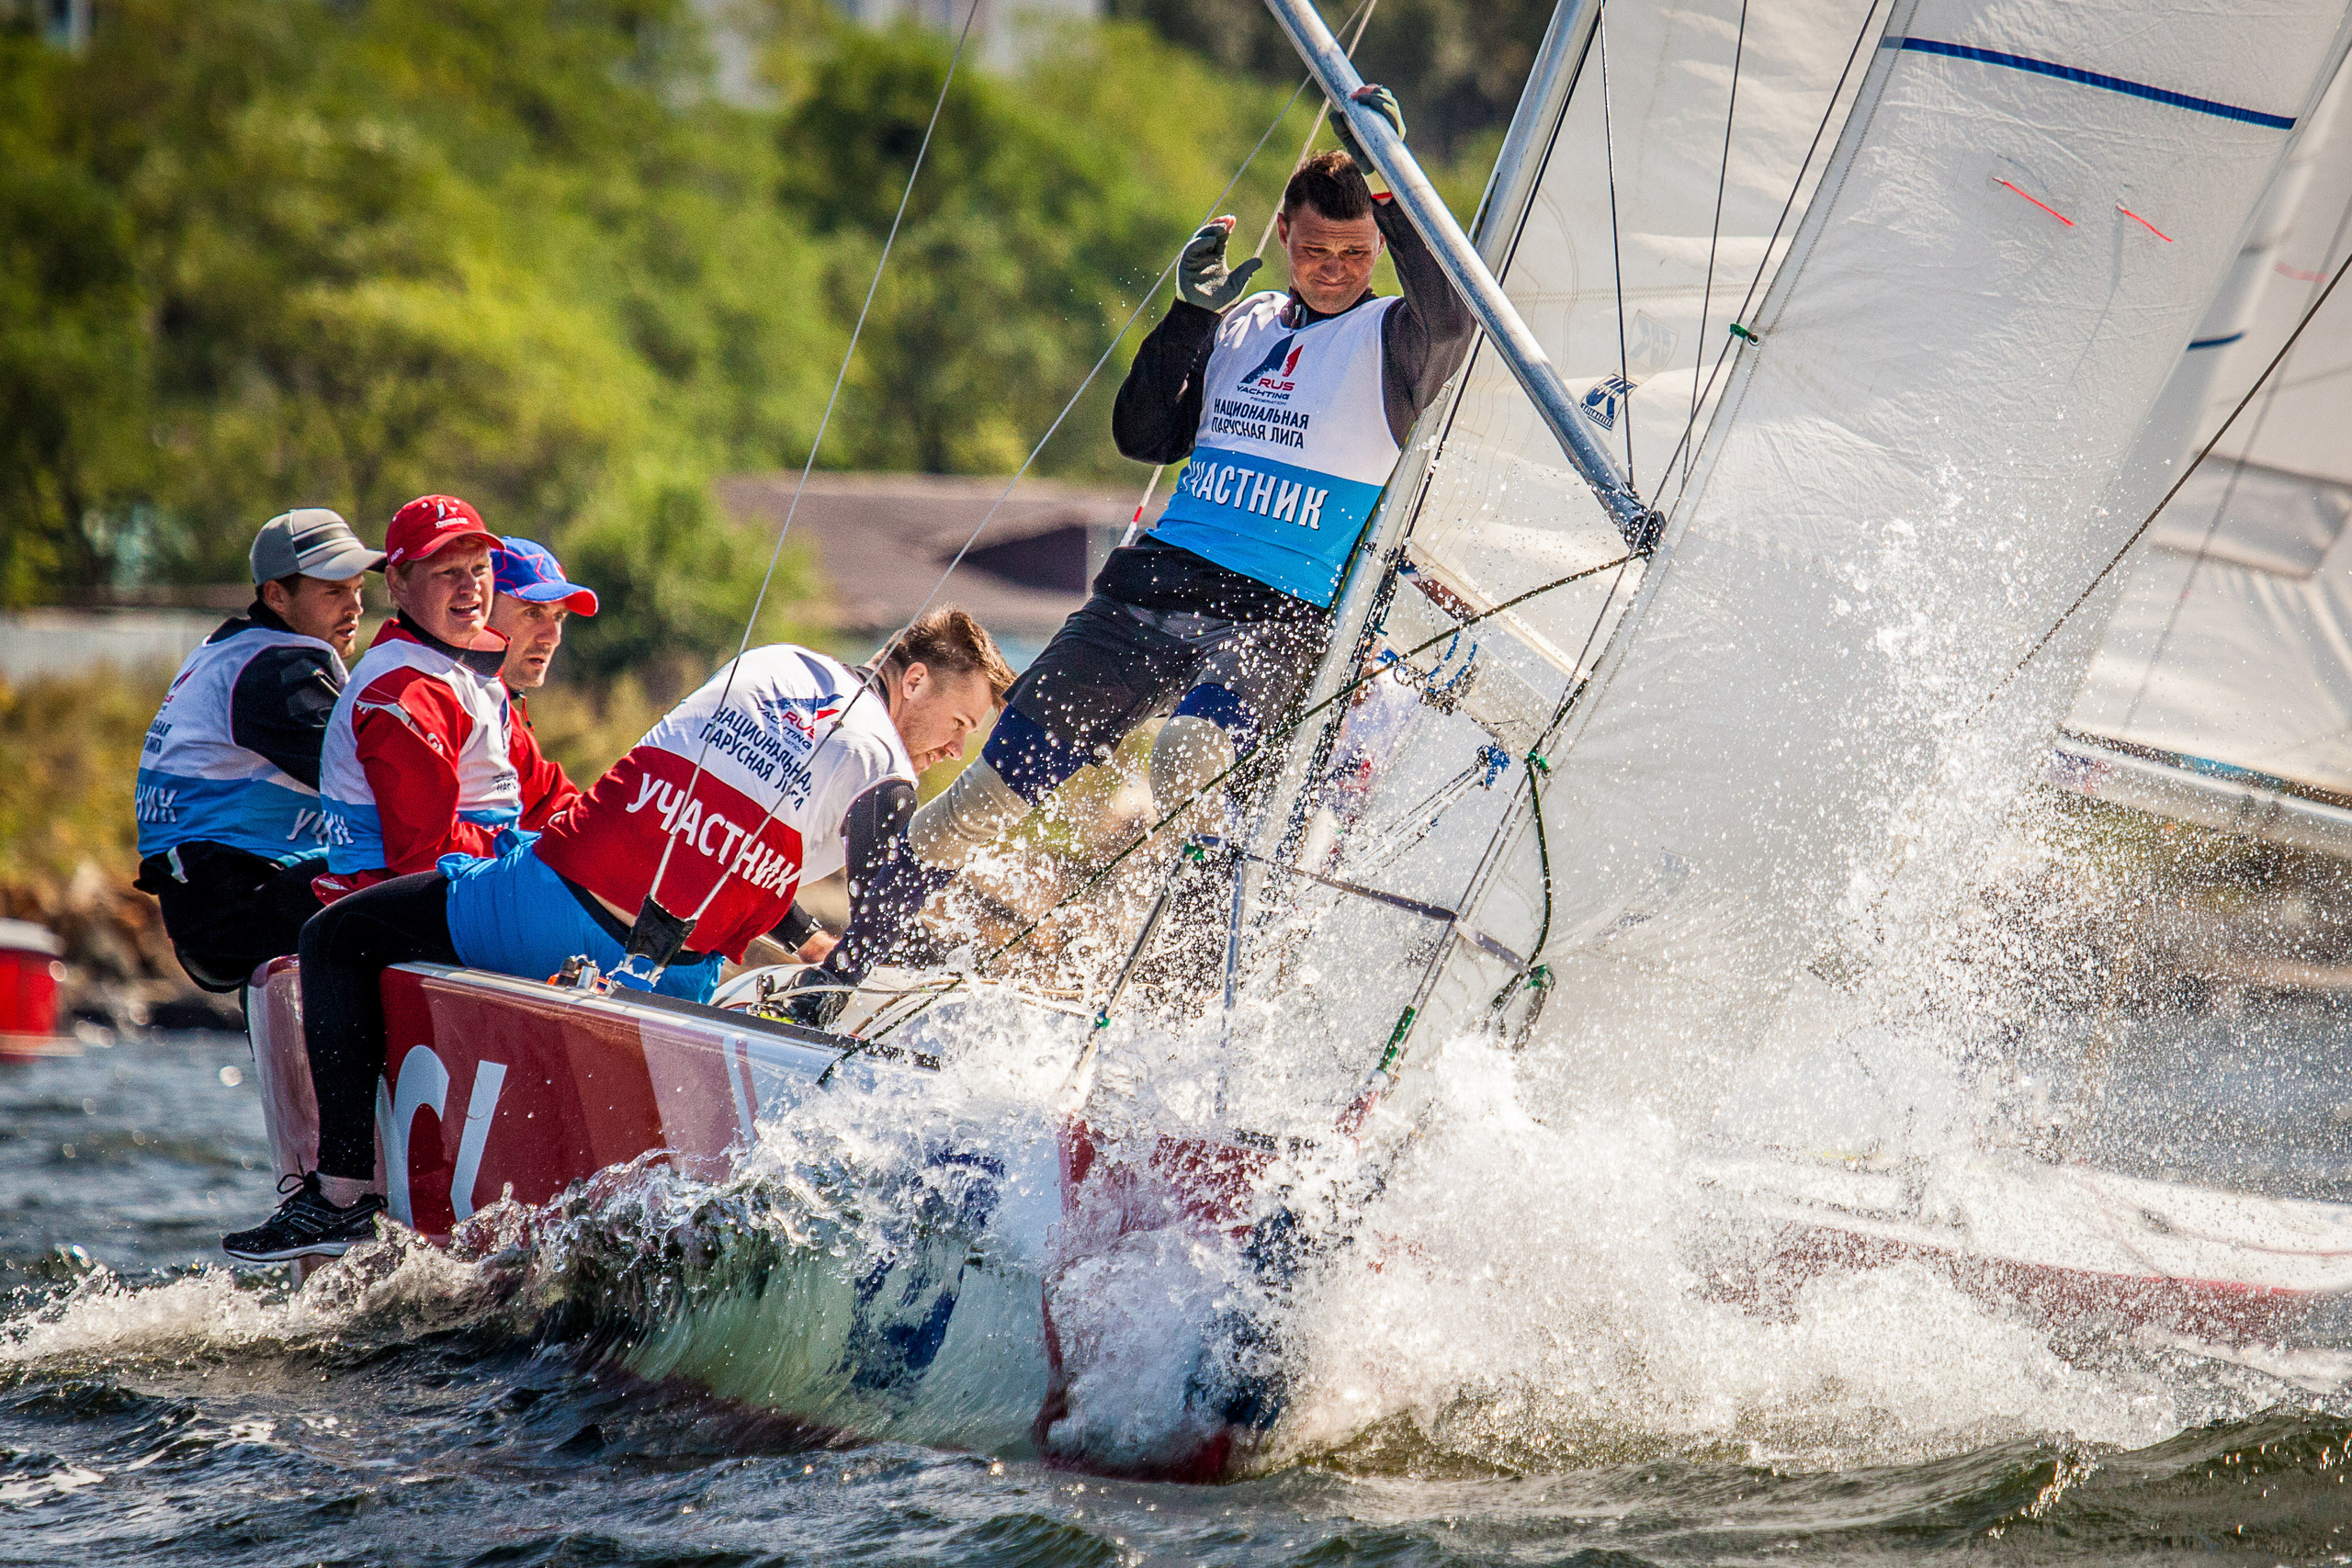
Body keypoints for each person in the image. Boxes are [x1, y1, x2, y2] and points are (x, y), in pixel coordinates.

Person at [221, 609, 1012, 1262]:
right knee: (340, 935)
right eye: (960, 722)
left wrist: (806, 940)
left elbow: (719, 826)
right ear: (912, 680)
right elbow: (880, 905)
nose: (955, 748)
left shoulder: (779, 661)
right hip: (671, 985)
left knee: (337, 937)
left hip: (546, 913)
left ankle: (340, 1197)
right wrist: (830, 989)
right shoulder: (883, 760)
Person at [910, 105, 1474, 874]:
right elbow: (1144, 437)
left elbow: (1454, 317)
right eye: (1314, 250)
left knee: (1186, 763)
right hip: (1156, 587)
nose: (1335, 268)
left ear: (1379, 240)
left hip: (1281, 615)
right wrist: (1188, 317)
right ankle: (843, 977)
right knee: (979, 800)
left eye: (1354, 251)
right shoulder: (1242, 324)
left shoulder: (1398, 339)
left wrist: (1394, 175)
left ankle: (1197, 949)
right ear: (1283, 236)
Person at [132, 510, 384, 991]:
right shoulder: (278, 670)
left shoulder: (238, 648)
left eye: (357, 589)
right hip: (229, 908)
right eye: (334, 591)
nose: (354, 607)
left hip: (218, 899)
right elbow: (381, 784)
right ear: (276, 595)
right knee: (423, 888)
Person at [313, 497, 580, 902]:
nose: (469, 588)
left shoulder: (470, 669)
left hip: (465, 889)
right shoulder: (402, 692)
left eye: (479, 569)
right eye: (448, 572)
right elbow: (425, 855)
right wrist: (538, 854)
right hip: (401, 905)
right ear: (398, 583)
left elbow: (546, 796)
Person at [489, 536, 595, 695]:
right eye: (532, 613)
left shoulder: (501, 713)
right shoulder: (444, 707)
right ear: (482, 610)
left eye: (558, 617)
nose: (553, 639)